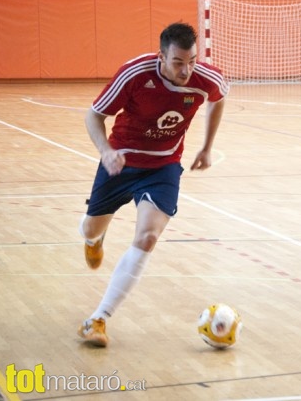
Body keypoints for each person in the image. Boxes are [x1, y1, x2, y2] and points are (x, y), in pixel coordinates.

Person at [77, 22, 228, 347]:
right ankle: (94, 238)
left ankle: (99, 319)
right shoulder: (133, 74)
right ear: (161, 56)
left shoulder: (206, 79)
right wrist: (106, 152)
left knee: (147, 237)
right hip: (121, 162)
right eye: (178, 62)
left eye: (192, 61)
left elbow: (218, 99)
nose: (187, 70)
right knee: (90, 229)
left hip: (163, 167)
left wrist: (206, 146)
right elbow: (93, 116)